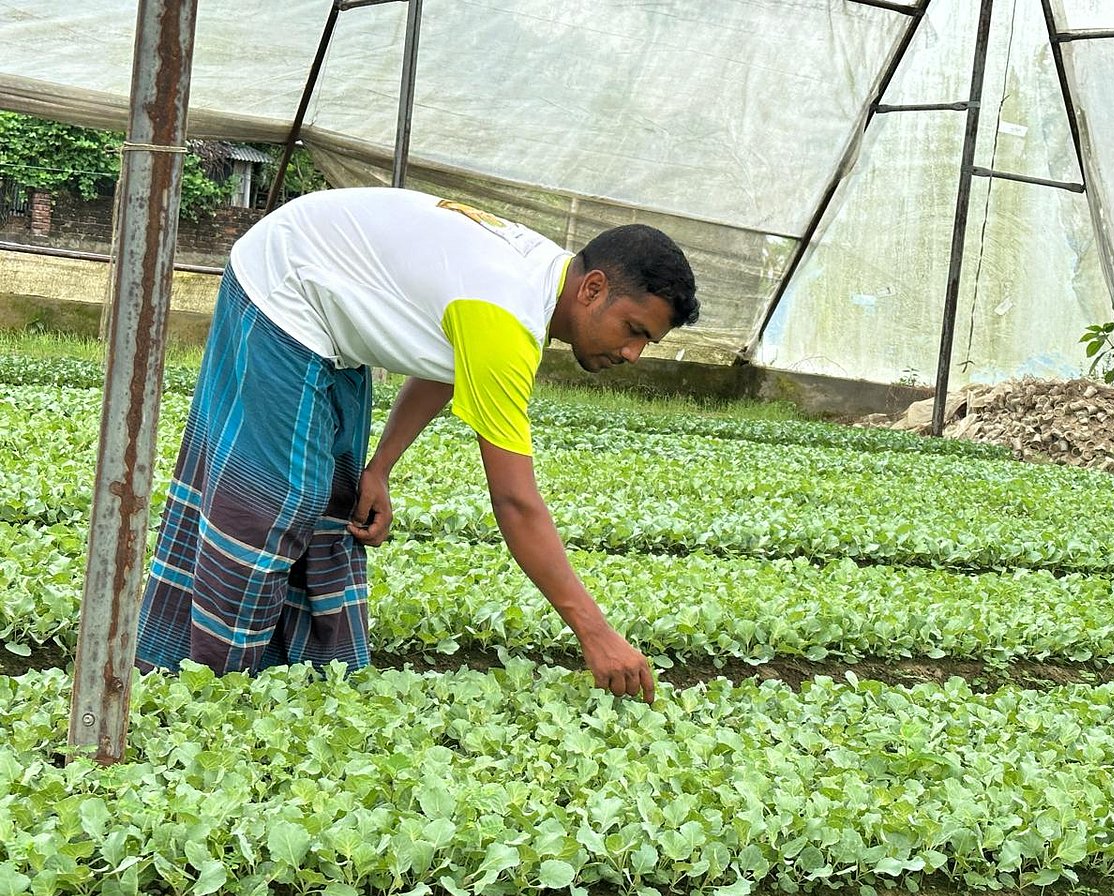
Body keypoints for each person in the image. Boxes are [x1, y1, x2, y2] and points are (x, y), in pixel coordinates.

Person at [134, 187, 699, 704]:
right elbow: (515, 502)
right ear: (593, 289)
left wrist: (379, 467)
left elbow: (447, 358)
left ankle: (304, 677)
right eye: (634, 331)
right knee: (275, 501)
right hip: (286, 284)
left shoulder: (535, 285)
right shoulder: (507, 315)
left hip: (330, 309)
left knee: (339, 498)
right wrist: (595, 632)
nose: (632, 355)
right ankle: (211, 686)